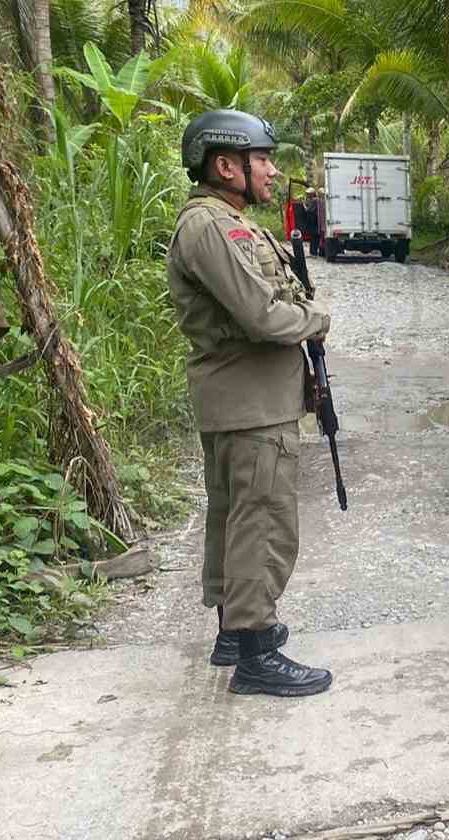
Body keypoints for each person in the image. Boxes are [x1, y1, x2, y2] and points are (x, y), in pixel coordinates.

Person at [166, 109, 335, 697]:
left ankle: (232, 634)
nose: (271, 169)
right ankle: (257, 652)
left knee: (235, 517)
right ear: (225, 164)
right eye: (262, 158)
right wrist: (318, 317)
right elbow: (263, 314)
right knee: (262, 522)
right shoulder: (213, 227)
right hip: (251, 405)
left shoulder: (226, 221)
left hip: (245, 399)